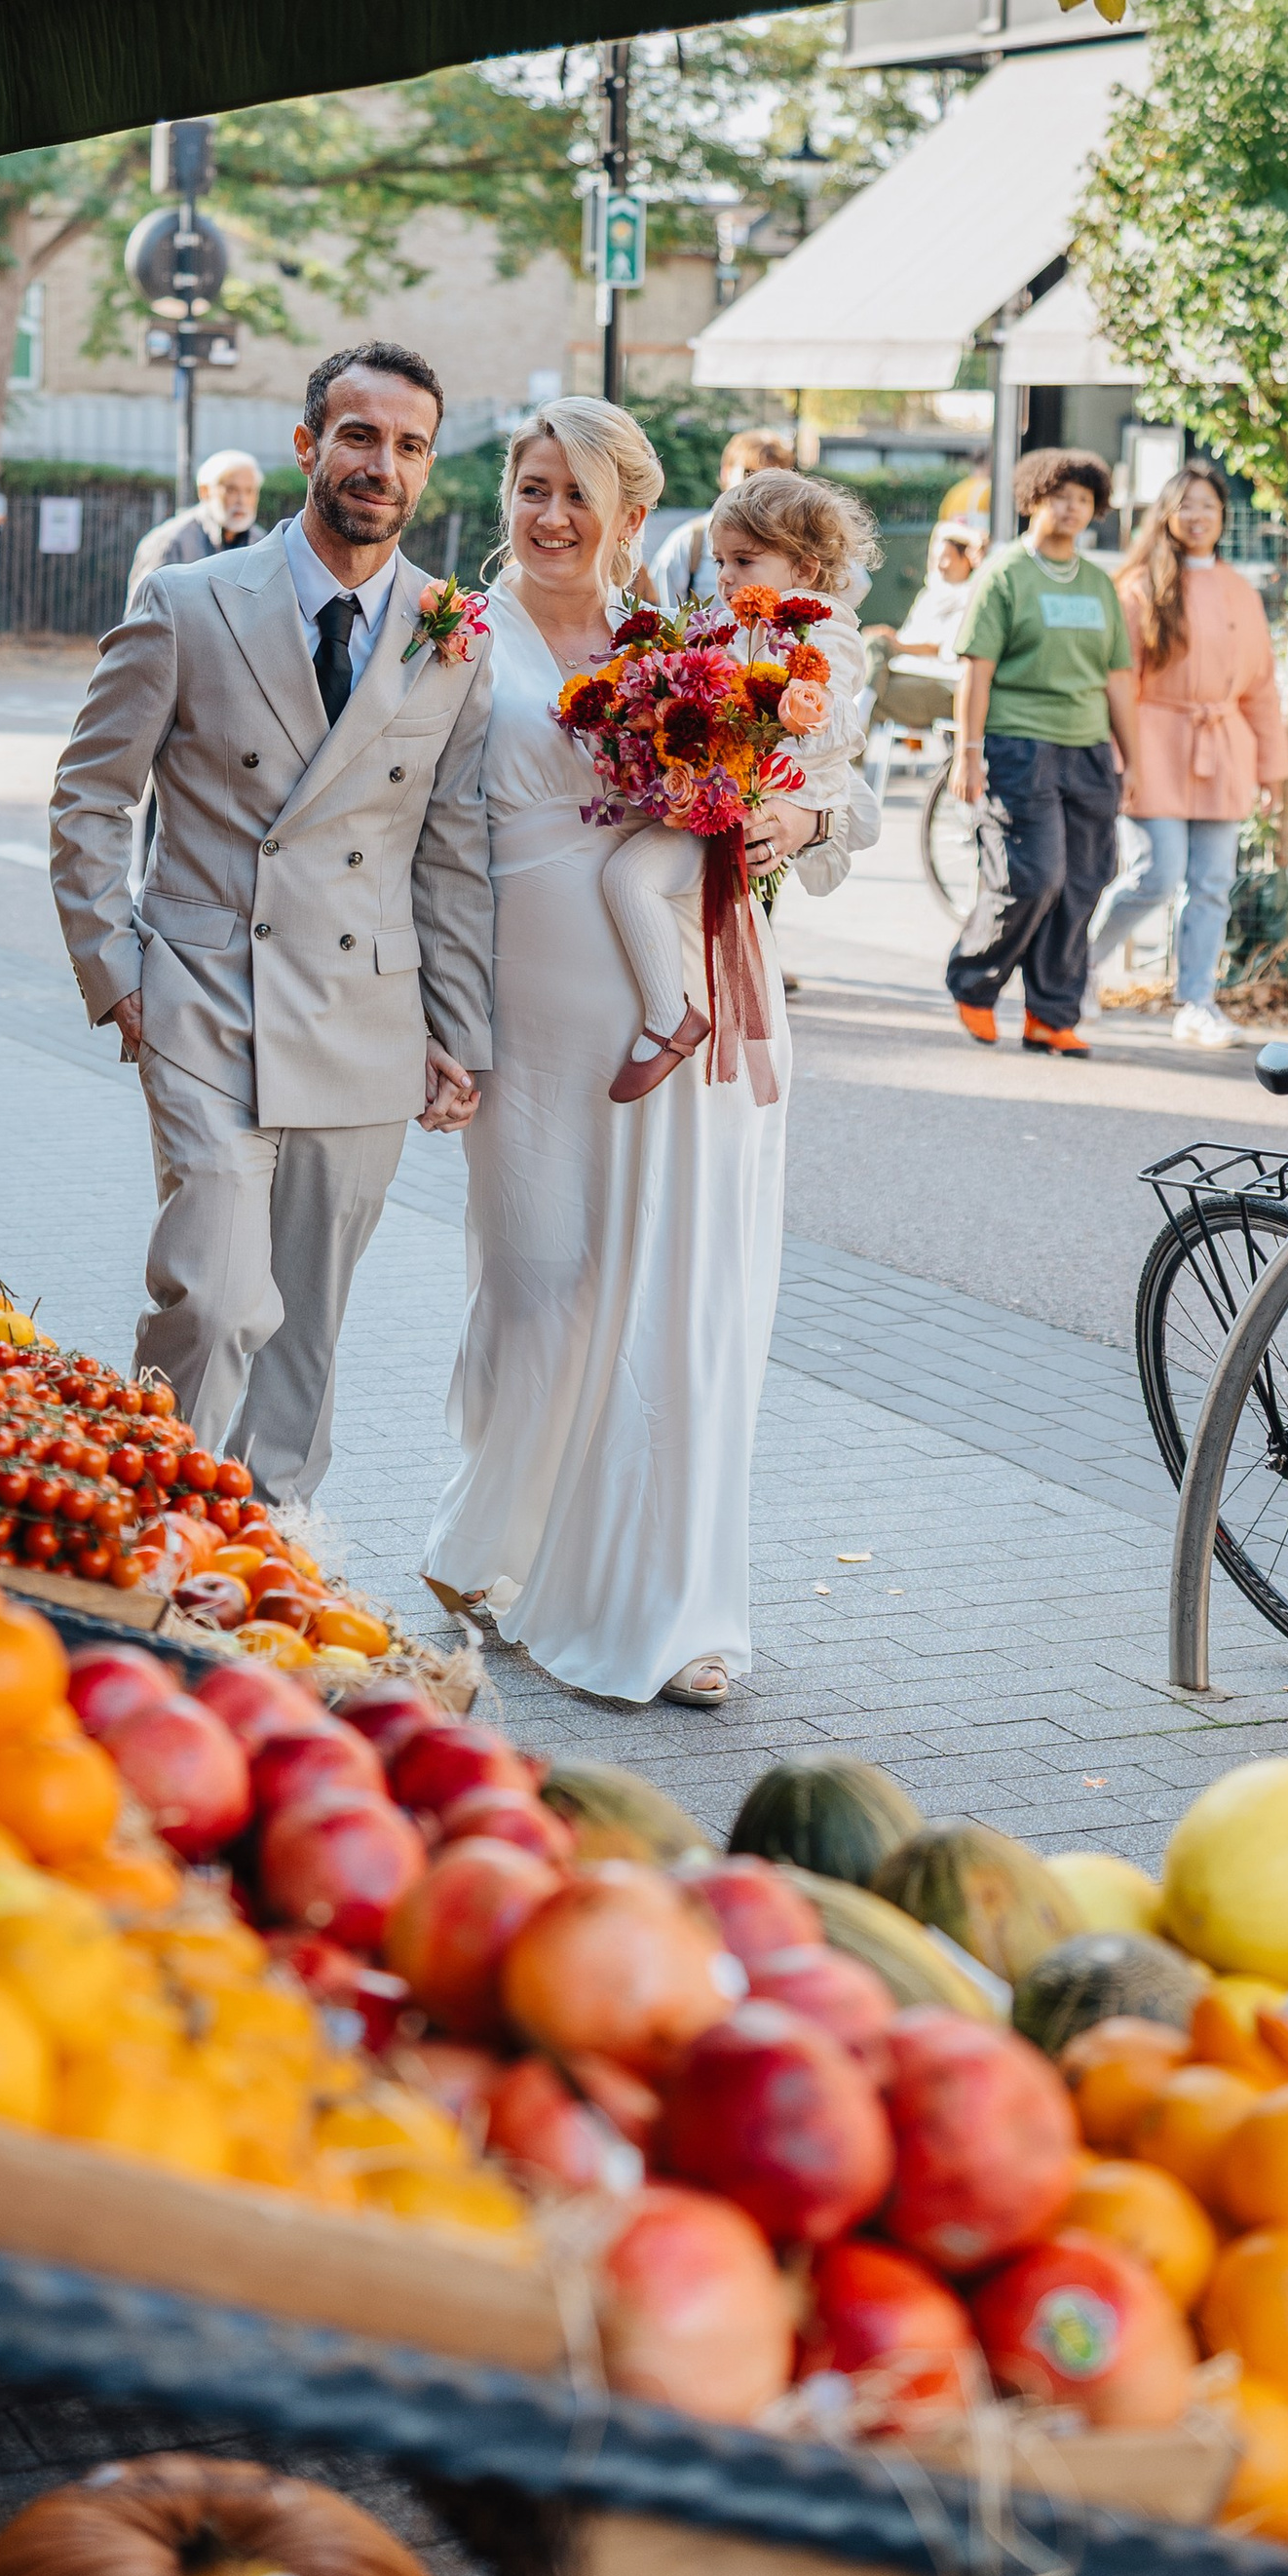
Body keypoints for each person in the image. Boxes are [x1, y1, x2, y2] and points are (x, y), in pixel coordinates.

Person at [419, 401, 876, 1710]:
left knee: (685, 1303)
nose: (549, 514)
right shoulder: (453, 631)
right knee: (538, 1286)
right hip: (523, 1010)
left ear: (630, 513)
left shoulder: (677, 636)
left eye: (577, 493)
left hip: (687, 1000)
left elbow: (833, 771)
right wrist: (429, 1021)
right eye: (529, 487)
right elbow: (396, 832)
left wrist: (802, 814)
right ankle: (488, 1537)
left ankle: (670, 1609)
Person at [48, 344, 492, 1506]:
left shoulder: (452, 627)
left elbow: (446, 847)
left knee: (306, 1327)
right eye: (358, 436)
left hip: (365, 1013)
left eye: (407, 446)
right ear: (309, 447)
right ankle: (149, 1515)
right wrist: (115, 966)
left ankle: (268, 1555)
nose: (380, 465)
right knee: (214, 1291)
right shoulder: (189, 603)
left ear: (426, 468)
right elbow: (94, 793)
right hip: (206, 991)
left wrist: (457, 1030)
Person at [597, 467, 873, 1099]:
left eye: (744, 560)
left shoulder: (821, 628)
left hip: (766, 796)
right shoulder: (735, 622)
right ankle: (673, 1013)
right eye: (720, 559)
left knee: (629, 878)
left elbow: (831, 724)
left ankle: (671, 1018)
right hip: (724, 793)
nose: (725, 576)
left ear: (804, 568)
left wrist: (767, 714)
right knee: (632, 880)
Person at [1083, 466, 1288, 1052]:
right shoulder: (1138, 588)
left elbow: (1261, 685)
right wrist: (1124, 759)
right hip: (1154, 742)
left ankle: (1197, 1002)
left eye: (1209, 507)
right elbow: (1119, 682)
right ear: (1167, 515)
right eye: (1187, 506)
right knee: (1156, 875)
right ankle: (1081, 966)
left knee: (1213, 884)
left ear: (1223, 518)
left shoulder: (1240, 590)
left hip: (1223, 746)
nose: (1198, 517)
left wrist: (1273, 766)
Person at [946, 448, 1138, 1057]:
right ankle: (975, 984)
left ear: (1095, 510)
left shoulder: (1098, 584)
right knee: (1034, 875)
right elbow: (977, 670)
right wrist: (968, 753)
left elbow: (1117, 680)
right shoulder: (1005, 574)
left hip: (1086, 748)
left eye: (1083, 499)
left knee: (1084, 879)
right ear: (1034, 499)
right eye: (1060, 495)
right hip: (1017, 744)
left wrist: (1129, 758)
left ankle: (1050, 1015)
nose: (1071, 507)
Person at [647, 427, 797, 608]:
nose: (759, 487)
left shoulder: (795, 547)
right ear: (726, 473)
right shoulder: (690, 541)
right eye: (750, 473)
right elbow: (663, 616)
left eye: (772, 478)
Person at [127, 449, 264, 596]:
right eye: (231, 490)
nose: (242, 500)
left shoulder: (262, 544)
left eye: (250, 491)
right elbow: (144, 613)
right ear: (204, 491)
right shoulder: (170, 542)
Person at [895, 519, 986, 661]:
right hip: (902, 663)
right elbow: (941, 529)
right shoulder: (932, 591)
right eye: (936, 559)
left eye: (945, 558)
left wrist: (894, 645)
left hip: (930, 673)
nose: (939, 566)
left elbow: (937, 650)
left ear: (967, 559)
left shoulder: (967, 597)